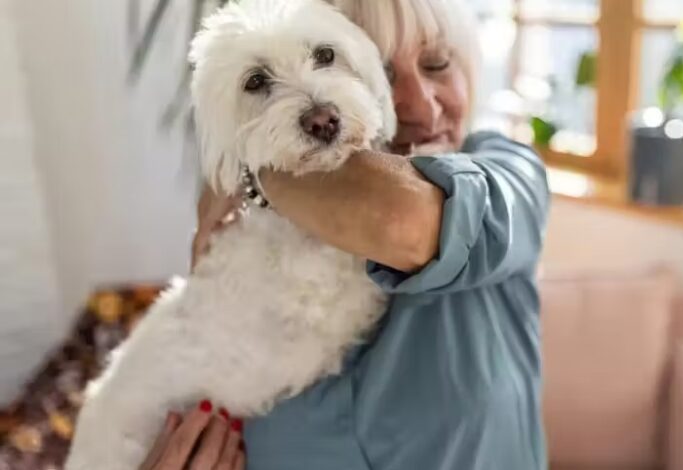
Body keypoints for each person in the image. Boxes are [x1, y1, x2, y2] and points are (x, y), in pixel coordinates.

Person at [142, 0, 550, 468]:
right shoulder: (251, 258)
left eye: (437, 63)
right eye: (384, 72)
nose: (421, 105)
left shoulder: (508, 175)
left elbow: (402, 220)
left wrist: (257, 173)